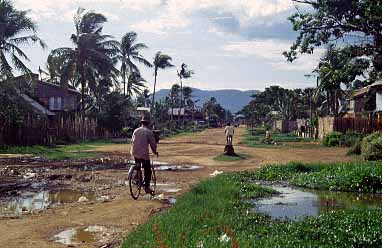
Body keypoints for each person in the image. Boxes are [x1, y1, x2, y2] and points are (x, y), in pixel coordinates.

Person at [131, 115, 158, 194]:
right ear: (148, 124)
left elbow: (132, 141)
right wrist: (154, 151)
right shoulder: (149, 132)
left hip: (135, 152)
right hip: (143, 154)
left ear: (141, 123)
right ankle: (147, 187)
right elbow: (153, 144)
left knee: (138, 165)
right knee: (148, 170)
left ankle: (137, 177)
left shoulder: (135, 131)